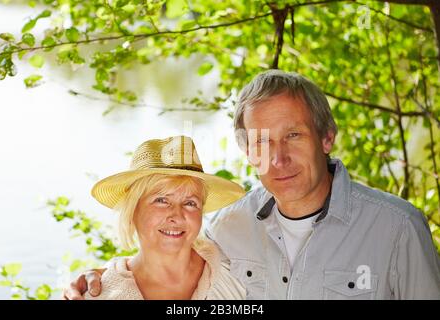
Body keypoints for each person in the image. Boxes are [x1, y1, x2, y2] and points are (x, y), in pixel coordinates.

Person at [64, 70, 440, 300]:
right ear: (246, 150)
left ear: (327, 137)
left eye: (293, 135)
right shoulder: (228, 229)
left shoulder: (397, 229)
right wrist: (106, 281)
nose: (278, 158)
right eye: (261, 141)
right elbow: (169, 261)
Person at [77, 135, 246, 300]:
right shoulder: (100, 294)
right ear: (132, 211)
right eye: (161, 200)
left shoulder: (236, 268)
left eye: (190, 203)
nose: (177, 216)